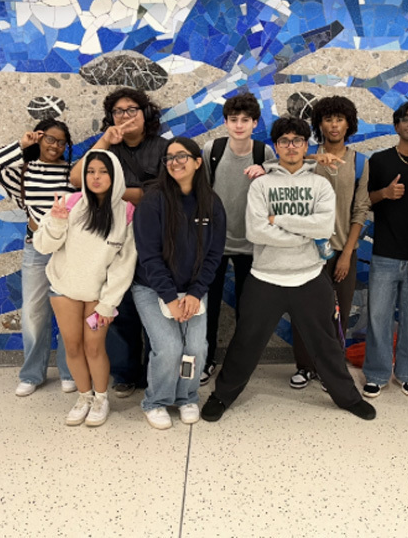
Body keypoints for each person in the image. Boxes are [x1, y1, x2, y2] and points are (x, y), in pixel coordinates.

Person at [201, 117, 376, 422]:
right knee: (245, 342)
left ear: (306, 146)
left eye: (297, 141)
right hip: (265, 277)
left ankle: (348, 397)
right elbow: (256, 232)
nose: (291, 146)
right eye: (284, 141)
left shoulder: (320, 184)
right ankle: (222, 395)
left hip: (309, 276)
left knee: (327, 344)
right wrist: (302, 232)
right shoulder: (261, 184)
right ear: (276, 146)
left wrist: (277, 220)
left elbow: (323, 226)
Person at [70, 88, 169, 399]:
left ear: (146, 113)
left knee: (155, 308)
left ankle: (155, 373)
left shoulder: (164, 148)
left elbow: (161, 192)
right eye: (118, 111)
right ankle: (125, 374)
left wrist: (110, 190)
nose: (125, 116)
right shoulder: (107, 150)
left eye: (132, 109)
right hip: (112, 239)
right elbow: (77, 180)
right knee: (116, 305)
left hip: (154, 237)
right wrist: (104, 142)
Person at [35, 150, 137, 427]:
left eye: (103, 172)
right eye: (90, 171)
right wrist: (57, 221)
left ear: (115, 176)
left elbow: (124, 264)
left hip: (98, 295)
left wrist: (108, 303)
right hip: (64, 289)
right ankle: (84, 397)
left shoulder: (126, 212)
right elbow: (43, 246)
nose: (96, 177)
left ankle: (101, 399)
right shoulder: (70, 203)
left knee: (94, 348)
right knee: (72, 346)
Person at [132, 138, 226, 429]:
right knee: (169, 348)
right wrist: (170, 298)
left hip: (194, 288)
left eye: (181, 156)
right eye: (169, 158)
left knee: (196, 348)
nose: (174, 162)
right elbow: (148, 256)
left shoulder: (212, 203)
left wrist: (196, 293)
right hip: (152, 288)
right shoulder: (152, 202)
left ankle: (187, 397)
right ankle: (156, 401)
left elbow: (214, 254)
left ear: (197, 162)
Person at [0, 118, 76, 397]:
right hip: (36, 249)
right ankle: (32, 374)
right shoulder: (23, 172)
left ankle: (70, 371)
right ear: (40, 138)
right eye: (50, 139)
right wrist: (22, 145)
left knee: (69, 312)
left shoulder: (72, 173)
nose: (55, 146)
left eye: (61, 142)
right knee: (34, 312)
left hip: (69, 251)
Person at [288, 95, 369, 390]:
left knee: (338, 314)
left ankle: (330, 369)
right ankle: (305, 366)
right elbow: (283, 167)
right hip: (306, 250)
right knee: (304, 311)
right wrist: (313, 159)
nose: (334, 125)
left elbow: (360, 210)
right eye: (328, 119)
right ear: (319, 124)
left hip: (342, 250)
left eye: (339, 119)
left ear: (349, 124)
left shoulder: (359, 162)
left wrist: (346, 254)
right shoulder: (305, 157)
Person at [361, 101, 408, 398]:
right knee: (378, 318)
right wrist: (385, 193)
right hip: (384, 253)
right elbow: (363, 201)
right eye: (405, 118)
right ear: (396, 125)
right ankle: (376, 374)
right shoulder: (379, 161)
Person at [203, 93, 274, 386]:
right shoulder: (213, 149)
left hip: (251, 245)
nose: (239, 125)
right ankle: (206, 359)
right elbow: (202, 191)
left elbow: (278, 186)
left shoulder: (264, 152)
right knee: (209, 308)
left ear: (255, 123)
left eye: (246, 120)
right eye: (234, 120)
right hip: (215, 244)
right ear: (226, 122)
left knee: (248, 310)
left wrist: (267, 171)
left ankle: (240, 363)